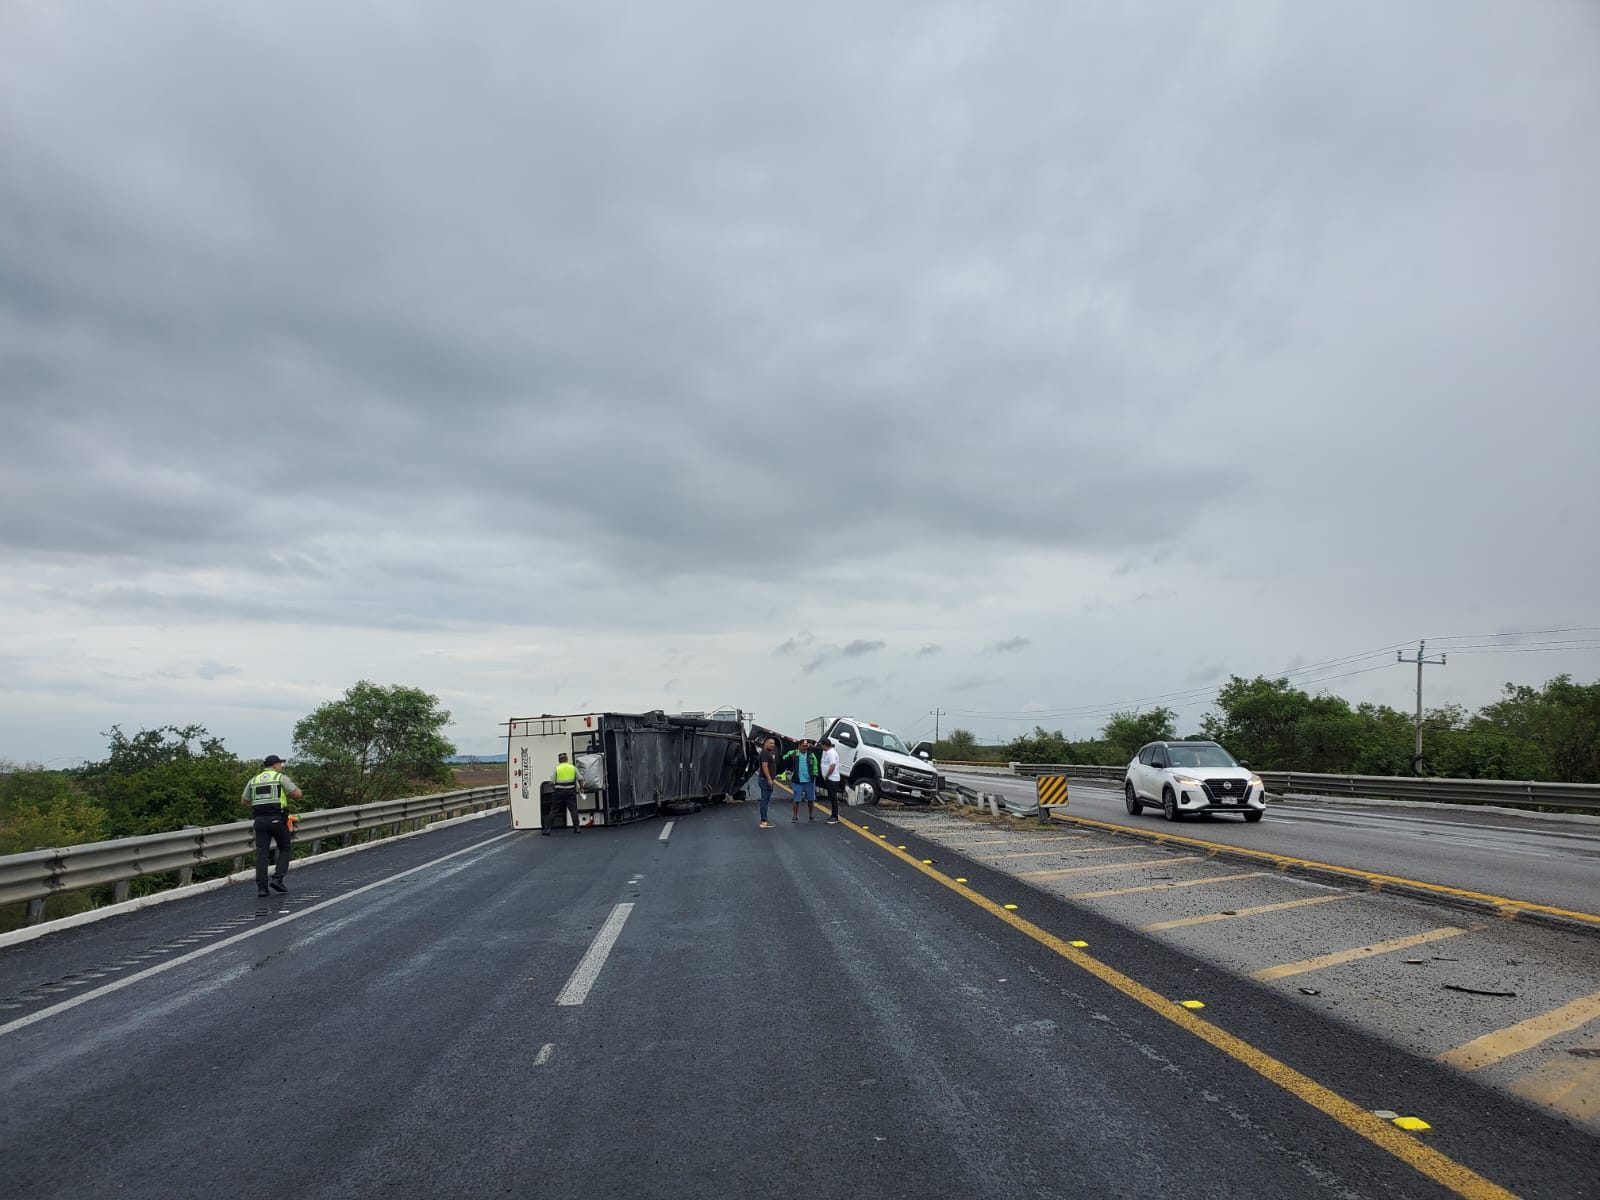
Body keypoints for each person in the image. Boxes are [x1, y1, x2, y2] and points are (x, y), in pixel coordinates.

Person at [241, 755, 302, 897]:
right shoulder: (279, 777)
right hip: (277, 819)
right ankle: (277, 879)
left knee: (262, 853)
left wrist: (260, 806)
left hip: (260, 820)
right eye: (280, 764)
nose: (281, 766)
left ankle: (262, 888)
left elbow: (244, 802)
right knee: (284, 847)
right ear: (275, 765)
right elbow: (298, 794)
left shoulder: (253, 780)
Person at [785, 738, 819, 822]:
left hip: (809, 781)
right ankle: (795, 816)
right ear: (799, 746)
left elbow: (815, 765)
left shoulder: (811, 755)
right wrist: (789, 756)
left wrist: (815, 773)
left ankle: (811, 816)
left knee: (811, 800)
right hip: (797, 781)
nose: (805, 747)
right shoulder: (794, 753)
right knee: (796, 800)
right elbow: (784, 759)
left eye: (806, 746)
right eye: (803, 746)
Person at [548, 753, 581, 834]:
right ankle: (577, 828)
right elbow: (580, 778)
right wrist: (581, 788)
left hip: (559, 792)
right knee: (573, 810)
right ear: (567, 759)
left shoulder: (557, 768)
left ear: (559, 760)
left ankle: (547, 829)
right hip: (571, 791)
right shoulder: (573, 768)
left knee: (554, 810)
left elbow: (551, 782)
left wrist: (554, 788)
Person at [818, 737, 843, 824]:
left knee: (833, 798)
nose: (821, 747)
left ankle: (835, 816)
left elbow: (832, 766)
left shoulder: (831, 753)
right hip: (831, 778)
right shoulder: (828, 752)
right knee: (831, 797)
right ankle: (833, 815)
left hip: (832, 778)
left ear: (825, 745)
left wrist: (827, 776)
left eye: (822, 745)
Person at [756, 737, 779, 828]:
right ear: (765, 743)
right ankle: (764, 821)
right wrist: (769, 779)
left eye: (773, 744)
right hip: (765, 780)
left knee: (766, 800)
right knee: (765, 800)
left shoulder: (769, 753)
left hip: (767, 780)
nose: (772, 745)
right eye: (770, 743)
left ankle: (764, 819)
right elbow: (764, 766)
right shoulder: (765, 753)